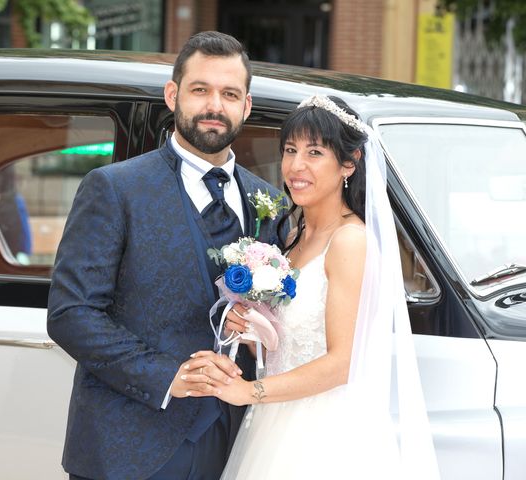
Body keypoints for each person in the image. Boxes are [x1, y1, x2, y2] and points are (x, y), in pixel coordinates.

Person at [47, 31, 287, 480]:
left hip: (237, 444)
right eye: (201, 90)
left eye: (229, 94)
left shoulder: (269, 203)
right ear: (173, 96)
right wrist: (167, 376)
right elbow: (71, 313)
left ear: (246, 107)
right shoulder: (115, 188)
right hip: (129, 444)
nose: (215, 105)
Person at [188, 95, 440, 479]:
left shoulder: (350, 241)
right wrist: (252, 329)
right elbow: (289, 340)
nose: (296, 166)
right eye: (290, 150)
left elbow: (342, 363)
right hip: (275, 423)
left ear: (349, 164)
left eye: (314, 152)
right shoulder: (291, 238)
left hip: (325, 434)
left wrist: (249, 392)